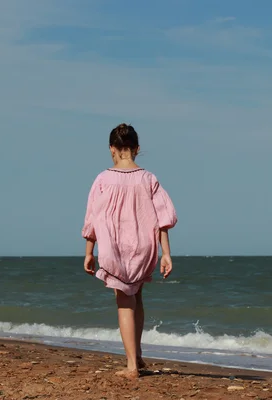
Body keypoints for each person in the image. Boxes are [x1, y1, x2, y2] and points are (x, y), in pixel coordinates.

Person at [81, 123, 178, 379]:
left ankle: (132, 366)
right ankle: (138, 355)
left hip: (115, 245)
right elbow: (162, 219)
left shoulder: (103, 179)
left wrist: (89, 251)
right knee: (137, 296)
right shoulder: (148, 178)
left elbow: (92, 218)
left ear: (112, 148)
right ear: (136, 148)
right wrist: (165, 253)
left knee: (124, 301)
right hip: (144, 246)